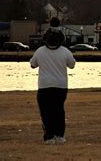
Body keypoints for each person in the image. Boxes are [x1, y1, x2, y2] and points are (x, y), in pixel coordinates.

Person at [30, 17, 76, 145]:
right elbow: (72, 65)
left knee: (46, 112)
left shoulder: (40, 52)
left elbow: (33, 65)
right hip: (61, 86)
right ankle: (60, 135)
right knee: (58, 110)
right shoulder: (65, 52)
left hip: (44, 86)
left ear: (45, 39)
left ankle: (49, 136)